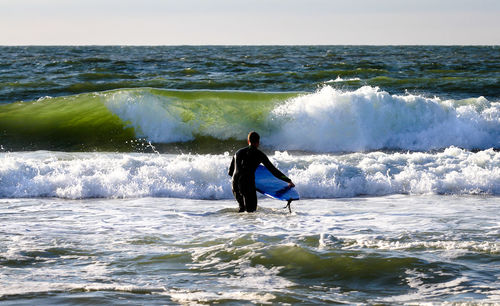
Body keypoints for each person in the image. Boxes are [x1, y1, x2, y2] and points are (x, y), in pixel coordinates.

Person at [228, 131, 294, 212]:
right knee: (251, 211)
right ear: (258, 142)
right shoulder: (259, 155)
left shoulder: (238, 153)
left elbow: (230, 172)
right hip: (248, 184)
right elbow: (273, 171)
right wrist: (288, 180)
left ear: (248, 141)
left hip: (235, 183)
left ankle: (238, 224)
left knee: (242, 209)